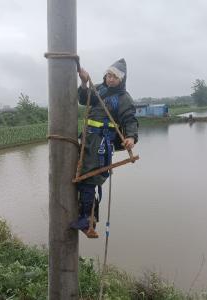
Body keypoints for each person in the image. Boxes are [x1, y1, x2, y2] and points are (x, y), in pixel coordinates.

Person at [70, 58, 138, 237]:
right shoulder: (99, 88)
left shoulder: (123, 98)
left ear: (121, 79)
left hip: (101, 142)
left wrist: (130, 137)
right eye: (108, 75)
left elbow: (129, 119)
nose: (110, 79)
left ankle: (87, 220)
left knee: (89, 178)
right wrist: (84, 82)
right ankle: (87, 218)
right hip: (88, 138)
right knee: (80, 175)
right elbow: (84, 99)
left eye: (114, 77)